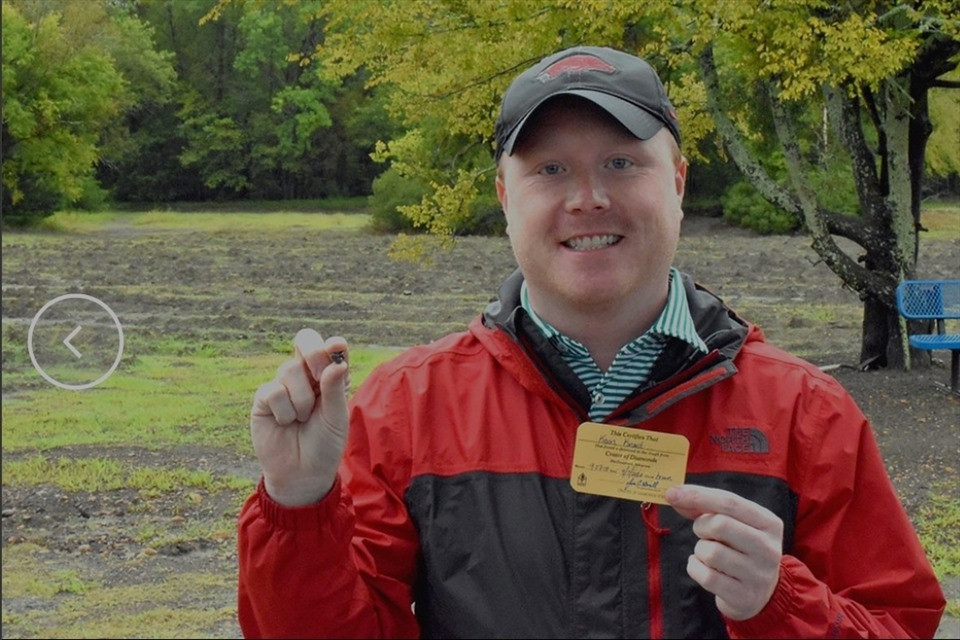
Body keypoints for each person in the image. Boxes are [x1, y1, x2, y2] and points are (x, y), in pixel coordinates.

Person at [237, 46, 946, 638]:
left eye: (620, 163)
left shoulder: (804, 413)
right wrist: (297, 505)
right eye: (549, 170)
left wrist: (782, 606)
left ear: (676, 182)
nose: (587, 199)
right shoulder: (405, 410)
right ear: (505, 198)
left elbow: (899, 620)